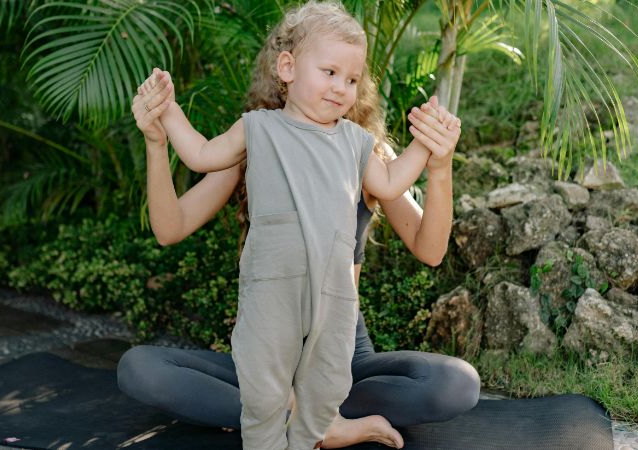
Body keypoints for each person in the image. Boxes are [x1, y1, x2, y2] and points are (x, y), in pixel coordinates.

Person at [119, 2, 479, 448]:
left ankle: (311, 414)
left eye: (350, 79)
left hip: (339, 339)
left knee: (456, 383)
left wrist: (437, 160)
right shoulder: (257, 138)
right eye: (328, 72)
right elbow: (170, 226)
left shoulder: (361, 150)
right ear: (287, 67)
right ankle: (314, 421)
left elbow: (431, 250)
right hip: (271, 331)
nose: (340, 87)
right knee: (140, 369)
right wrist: (159, 139)